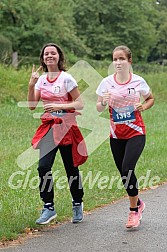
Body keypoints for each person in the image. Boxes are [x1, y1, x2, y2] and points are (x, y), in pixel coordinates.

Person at [27, 43, 88, 225]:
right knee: (43, 167)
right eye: (46, 54)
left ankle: (77, 203)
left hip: (66, 128)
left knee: (71, 169)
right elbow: (31, 105)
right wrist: (31, 85)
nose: (50, 56)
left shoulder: (67, 78)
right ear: (43, 59)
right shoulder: (41, 80)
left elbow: (80, 104)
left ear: (59, 57)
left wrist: (60, 106)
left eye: (53, 53)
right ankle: (48, 207)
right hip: (49, 128)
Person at [96, 45, 154, 228]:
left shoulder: (138, 81)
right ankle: (138, 203)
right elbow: (98, 107)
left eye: (121, 59)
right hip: (116, 134)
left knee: (128, 167)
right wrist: (103, 102)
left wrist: (143, 107)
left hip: (136, 131)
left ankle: (133, 211)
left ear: (129, 61)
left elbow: (150, 98)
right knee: (123, 173)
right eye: (115, 59)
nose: (118, 62)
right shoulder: (106, 82)